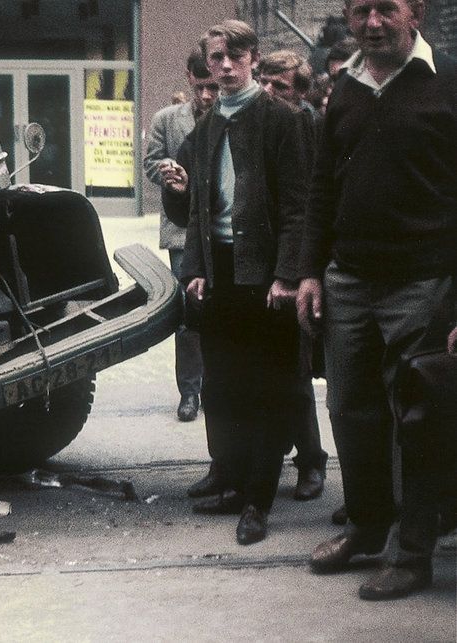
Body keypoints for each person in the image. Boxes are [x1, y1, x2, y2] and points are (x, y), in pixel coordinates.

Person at [297, 0, 457, 600]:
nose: (372, 22)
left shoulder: (448, 84)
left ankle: (413, 554)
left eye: (385, 9)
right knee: (350, 409)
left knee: (417, 420)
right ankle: (367, 527)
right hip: (349, 282)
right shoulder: (345, 89)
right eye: (360, 10)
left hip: (424, 283)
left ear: (413, 12)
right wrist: (309, 271)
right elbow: (321, 189)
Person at [164, 19, 312, 545]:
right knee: (222, 386)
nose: (224, 67)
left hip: (265, 275)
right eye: (216, 58)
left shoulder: (280, 120)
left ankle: (257, 500)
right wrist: (197, 267)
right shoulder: (204, 127)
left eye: (234, 56)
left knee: (265, 388)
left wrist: (288, 274)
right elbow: (197, 214)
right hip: (220, 273)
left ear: (251, 58)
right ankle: (228, 479)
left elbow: (299, 207)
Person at [256, 49, 330, 502]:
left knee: (294, 372)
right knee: (273, 369)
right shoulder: (261, 122)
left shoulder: (305, 126)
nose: (267, 92)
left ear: (300, 94)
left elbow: (306, 207)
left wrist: (297, 271)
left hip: (297, 268)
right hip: (267, 263)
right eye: (263, 82)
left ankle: (311, 462)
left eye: (279, 87)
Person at [143, 49, 217, 424]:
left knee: (221, 310)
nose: (207, 96)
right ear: (189, 78)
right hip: (182, 233)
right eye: (201, 87)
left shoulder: (231, 116)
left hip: (221, 229)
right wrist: (167, 173)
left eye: (214, 88)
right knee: (189, 313)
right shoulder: (166, 120)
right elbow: (149, 162)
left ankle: (217, 387)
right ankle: (189, 392)